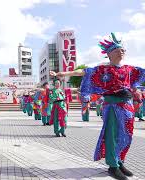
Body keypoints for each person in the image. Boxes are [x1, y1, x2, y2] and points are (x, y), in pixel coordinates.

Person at [50, 32, 145, 180]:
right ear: (109, 54)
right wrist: (64, 73)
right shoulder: (104, 70)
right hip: (113, 106)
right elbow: (84, 72)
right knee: (112, 135)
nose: (121, 51)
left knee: (126, 135)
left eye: (122, 49)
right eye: (117, 49)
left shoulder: (129, 69)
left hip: (128, 106)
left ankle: (120, 161)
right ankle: (113, 166)